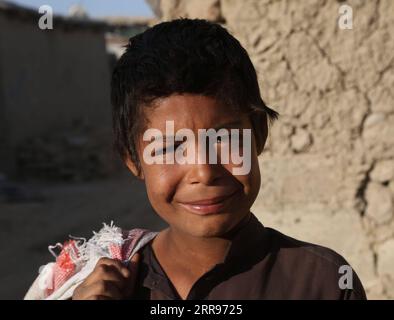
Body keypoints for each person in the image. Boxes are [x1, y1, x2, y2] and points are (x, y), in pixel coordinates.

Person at [25, 18, 366, 300]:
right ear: (132, 158)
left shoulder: (323, 283)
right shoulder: (106, 288)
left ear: (259, 134)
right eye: (171, 148)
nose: (203, 172)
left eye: (225, 139)